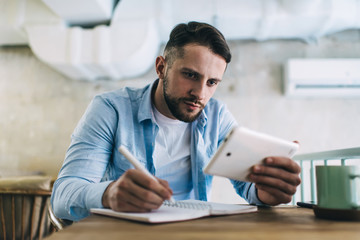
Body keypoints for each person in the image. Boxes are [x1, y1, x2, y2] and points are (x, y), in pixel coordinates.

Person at [51, 21, 301, 221]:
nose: (201, 94)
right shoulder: (110, 110)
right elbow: (62, 197)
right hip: (127, 231)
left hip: (191, 231)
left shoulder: (217, 116)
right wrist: (109, 193)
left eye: (212, 82)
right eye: (191, 75)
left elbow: (247, 187)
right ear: (161, 67)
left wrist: (265, 193)